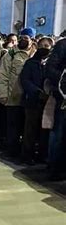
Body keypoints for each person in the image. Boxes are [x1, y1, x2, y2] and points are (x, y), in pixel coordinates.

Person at [0, 32, 30, 160]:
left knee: (26, 128)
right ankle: (12, 151)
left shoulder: (33, 54)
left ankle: (25, 153)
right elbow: (3, 76)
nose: (23, 40)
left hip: (28, 99)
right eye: (21, 38)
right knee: (13, 127)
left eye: (26, 38)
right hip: (13, 97)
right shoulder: (10, 55)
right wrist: (3, 94)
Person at [20, 45, 50, 165]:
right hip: (32, 101)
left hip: (46, 102)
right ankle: (27, 155)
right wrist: (37, 92)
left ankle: (42, 155)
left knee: (44, 131)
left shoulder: (49, 66)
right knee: (30, 130)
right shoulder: (30, 64)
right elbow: (25, 80)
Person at [45, 38, 66, 180]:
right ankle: (55, 168)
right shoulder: (62, 45)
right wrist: (64, 78)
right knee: (59, 133)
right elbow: (50, 69)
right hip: (63, 97)